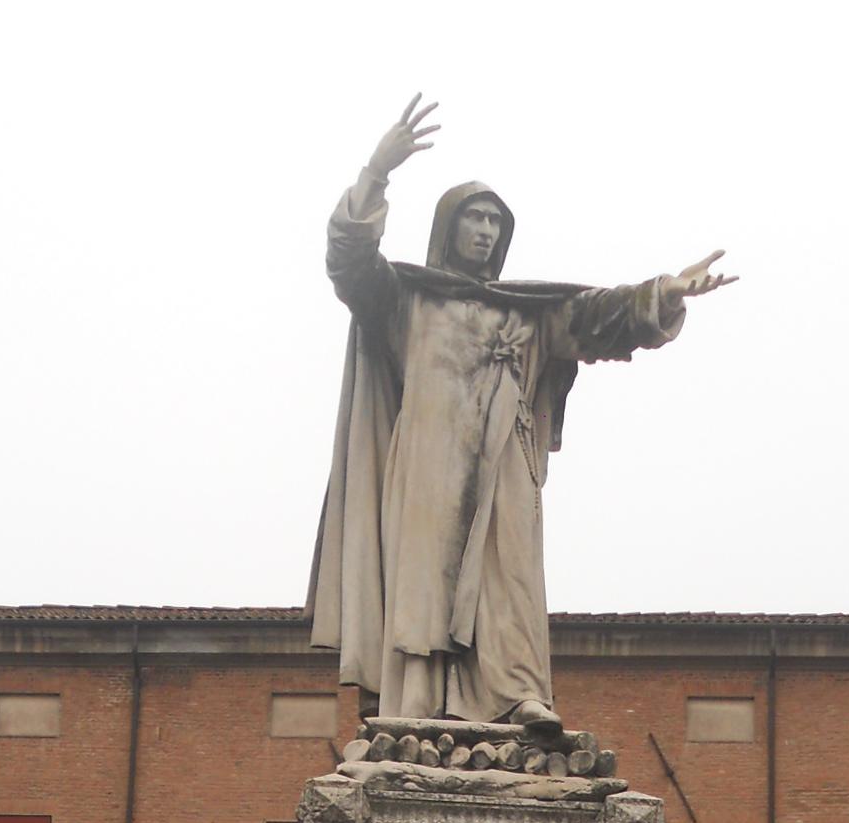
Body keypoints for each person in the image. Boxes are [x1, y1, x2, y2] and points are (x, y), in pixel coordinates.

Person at [308, 94, 734, 724]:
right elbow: (349, 263)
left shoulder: (526, 310)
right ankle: (419, 705)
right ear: (449, 226)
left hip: (507, 452)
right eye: (474, 219)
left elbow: (597, 317)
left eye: (495, 224)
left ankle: (516, 696)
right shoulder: (407, 300)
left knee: (510, 576)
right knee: (426, 580)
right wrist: (377, 172)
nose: (485, 232)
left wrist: (663, 292)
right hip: (427, 460)